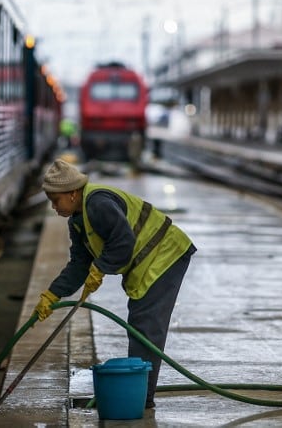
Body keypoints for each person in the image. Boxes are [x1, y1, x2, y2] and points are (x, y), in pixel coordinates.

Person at [32, 158, 196, 410]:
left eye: (56, 200)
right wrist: (53, 294)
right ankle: (138, 396)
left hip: (165, 254)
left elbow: (123, 242)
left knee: (145, 327)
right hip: (149, 261)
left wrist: (100, 268)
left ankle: (139, 400)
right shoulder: (78, 220)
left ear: (73, 193)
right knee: (141, 326)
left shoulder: (98, 204)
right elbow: (79, 265)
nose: (54, 207)